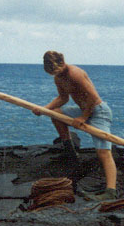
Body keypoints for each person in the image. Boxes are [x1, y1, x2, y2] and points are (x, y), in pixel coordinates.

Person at [36, 51, 117, 201]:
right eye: (52, 72)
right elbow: (63, 98)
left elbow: (93, 97)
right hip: (82, 109)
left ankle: (111, 191)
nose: (55, 74)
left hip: (98, 111)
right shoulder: (58, 78)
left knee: (103, 152)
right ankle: (70, 151)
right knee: (56, 114)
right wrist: (44, 109)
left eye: (56, 70)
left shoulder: (75, 73)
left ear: (62, 62)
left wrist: (84, 117)